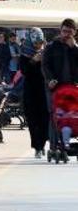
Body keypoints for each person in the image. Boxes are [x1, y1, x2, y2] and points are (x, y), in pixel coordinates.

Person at [42, 18, 78, 150]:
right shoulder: (52, 46)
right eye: (64, 31)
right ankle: (54, 144)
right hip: (54, 87)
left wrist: (74, 47)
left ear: (74, 32)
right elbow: (45, 65)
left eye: (69, 32)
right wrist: (49, 79)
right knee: (55, 115)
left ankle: (68, 141)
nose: (66, 34)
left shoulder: (74, 47)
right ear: (60, 31)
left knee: (73, 114)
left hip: (72, 87)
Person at [20, 28, 49, 158]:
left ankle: (42, 143)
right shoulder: (25, 53)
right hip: (30, 91)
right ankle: (37, 146)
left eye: (41, 42)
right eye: (37, 42)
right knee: (32, 120)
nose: (39, 45)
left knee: (44, 118)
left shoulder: (46, 52)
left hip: (43, 91)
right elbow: (24, 71)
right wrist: (33, 61)